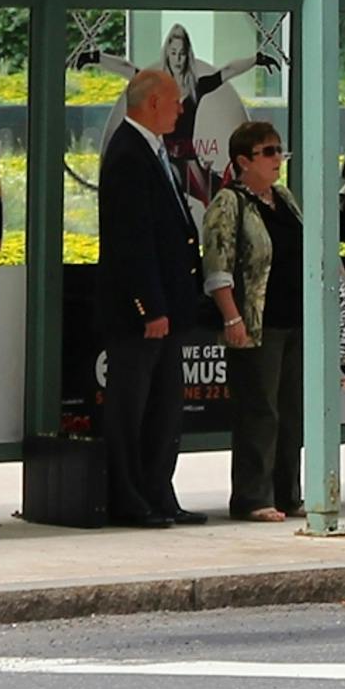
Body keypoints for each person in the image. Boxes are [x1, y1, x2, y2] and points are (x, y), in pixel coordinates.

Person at [91, 67, 205, 527]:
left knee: (165, 407)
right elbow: (131, 241)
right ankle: (127, 496)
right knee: (130, 407)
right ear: (152, 103)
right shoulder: (126, 154)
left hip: (169, 307)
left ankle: (159, 490)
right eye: (175, 101)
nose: (181, 109)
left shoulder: (156, 150)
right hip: (139, 313)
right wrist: (150, 306)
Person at [198, 119, 302, 521]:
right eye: (269, 152)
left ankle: (286, 492)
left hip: (293, 319)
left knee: (291, 411)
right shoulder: (230, 202)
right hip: (257, 322)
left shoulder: (284, 197)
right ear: (244, 160)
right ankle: (252, 496)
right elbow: (218, 266)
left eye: (280, 151)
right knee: (260, 410)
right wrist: (232, 318)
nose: (278, 159)